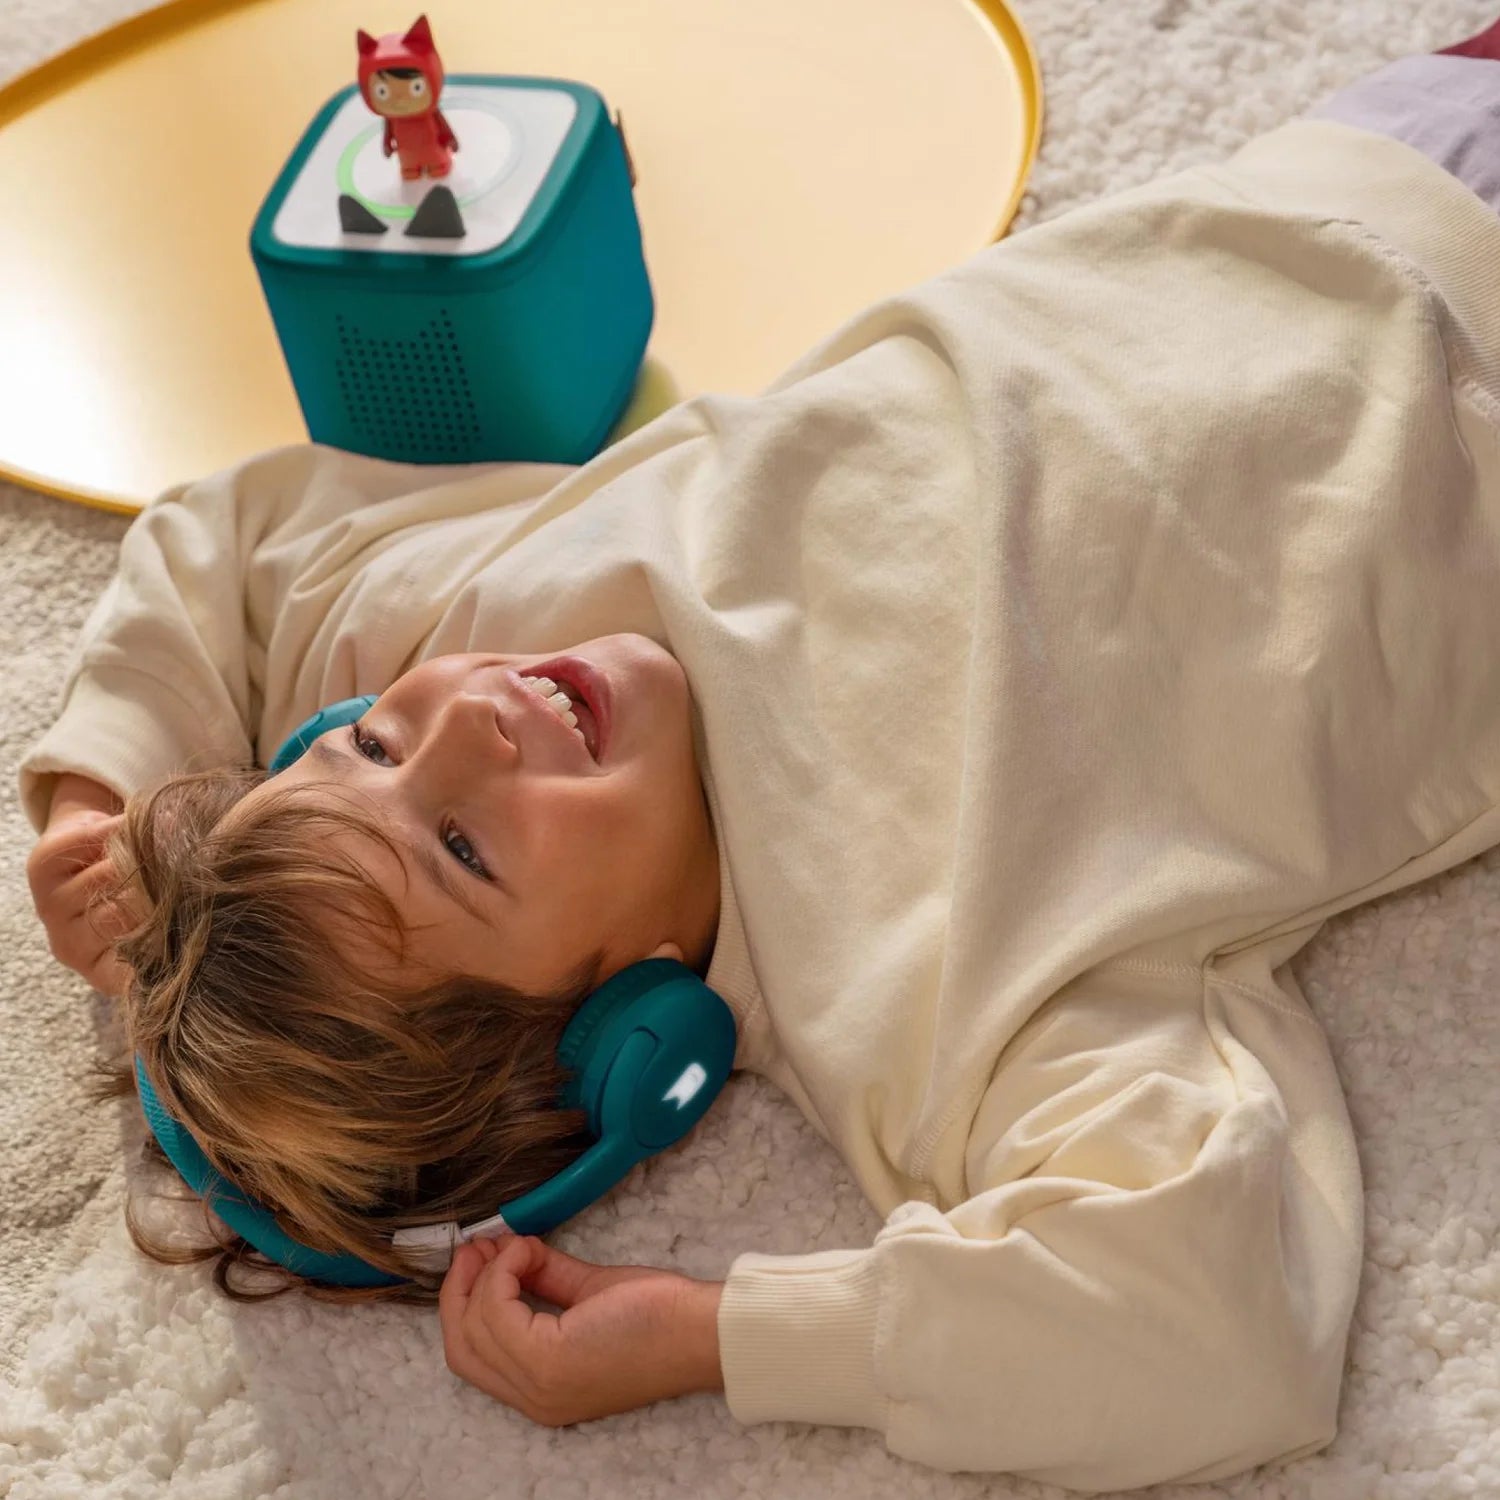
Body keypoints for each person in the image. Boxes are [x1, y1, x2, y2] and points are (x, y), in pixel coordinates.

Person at [24, 20, 1500, 1489]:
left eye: (373, 746)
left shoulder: (458, 622)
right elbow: (1212, 1328)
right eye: (467, 847)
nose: (464, 724)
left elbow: (227, 542)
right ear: (623, 1037)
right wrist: (722, 1334)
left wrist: (101, 787)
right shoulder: (918, 1000)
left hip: (1326, 185)